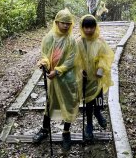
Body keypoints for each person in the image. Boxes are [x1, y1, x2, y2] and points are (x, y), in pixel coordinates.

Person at [33, 8, 80, 152]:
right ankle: (45, 129)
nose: (65, 26)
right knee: (50, 102)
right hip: (52, 77)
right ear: (57, 22)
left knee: (68, 103)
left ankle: (66, 132)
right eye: (63, 23)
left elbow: (71, 60)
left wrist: (58, 71)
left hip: (68, 77)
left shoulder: (71, 40)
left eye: (68, 23)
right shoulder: (49, 38)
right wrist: (45, 63)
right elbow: (46, 55)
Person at [77, 14, 114, 142]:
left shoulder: (100, 41)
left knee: (98, 99)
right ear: (82, 28)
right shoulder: (79, 42)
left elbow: (105, 56)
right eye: (86, 27)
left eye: (91, 27)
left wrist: (101, 68)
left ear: (95, 27)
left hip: (97, 77)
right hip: (86, 78)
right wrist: (80, 69)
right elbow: (76, 59)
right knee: (88, 102)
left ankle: (98, 113)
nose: (88, 30)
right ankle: (89, 125)